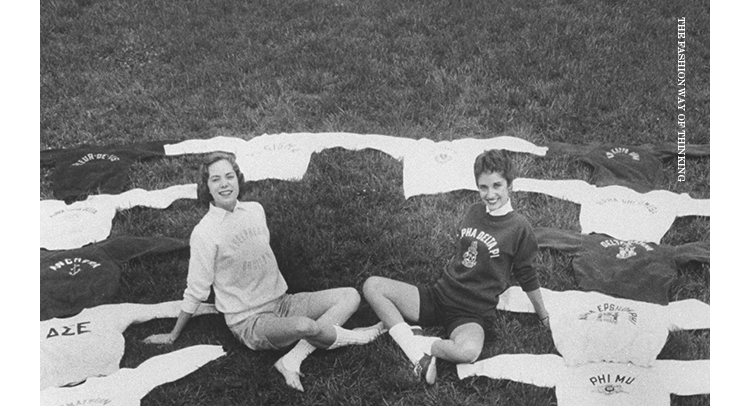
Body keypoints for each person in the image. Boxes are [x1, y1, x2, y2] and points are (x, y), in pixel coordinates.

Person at [145, 152, 383, 391]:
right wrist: (173, 334)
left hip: (283, 302)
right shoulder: (204, 232)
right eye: (215, 179)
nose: (224, 184)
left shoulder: (255, 210)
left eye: (229, 176)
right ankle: (362, 337)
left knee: (350, 296)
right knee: (306, 327)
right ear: (206, 187)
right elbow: (196, 289)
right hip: (249, 321)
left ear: (238, 179)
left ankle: (291, 360)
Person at [363, 148, 550, 385]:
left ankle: (418, 342)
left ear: (510, 185)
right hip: (439, 296)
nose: (490, 194)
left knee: (467, 352)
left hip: (472, 312)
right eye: (483, 187)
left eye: (497, 185)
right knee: (373, 286)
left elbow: (527, 274)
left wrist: (543, 315)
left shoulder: (519, 227)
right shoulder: (474, 211)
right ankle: (414, 350)